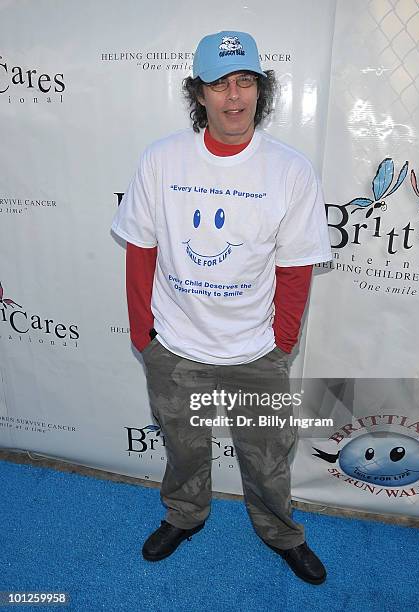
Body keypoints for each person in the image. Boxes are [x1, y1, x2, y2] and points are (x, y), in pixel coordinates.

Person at [111, 30, 332, 585]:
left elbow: (295, 267)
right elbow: (141, 250)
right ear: (199, 93)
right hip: (176, 345)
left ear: (261, 89)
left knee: (267, 458)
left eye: (245, 82)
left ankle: (281, 532)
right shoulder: (162, 160)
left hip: (256, 349)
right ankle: (185, 516)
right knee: (184, 450)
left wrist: (280, 344)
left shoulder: (290, 170)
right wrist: (146, 335)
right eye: (219, 84)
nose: (233, 98)